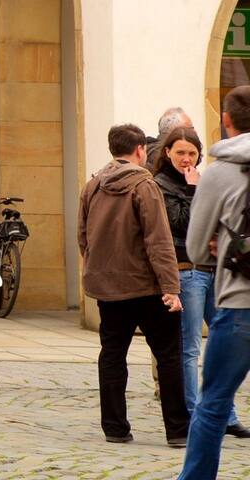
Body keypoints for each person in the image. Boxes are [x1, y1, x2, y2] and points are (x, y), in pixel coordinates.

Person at [80, 123, 188, 447]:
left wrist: (97, 270)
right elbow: (158, 239)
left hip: (108, 288)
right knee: (168, 356)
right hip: (146, 286)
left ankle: (114, 426)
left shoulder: (93, 186)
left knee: (112, 354)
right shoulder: (145, 185)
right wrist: (171, 287)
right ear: (140, 149)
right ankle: (178, 429)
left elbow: (82, 236)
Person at [153, 125, 250, 439]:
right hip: (186, 269)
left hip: (213, 271)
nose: (186, 158)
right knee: (191, 346)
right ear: (167, 153)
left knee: (219, 341)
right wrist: (194, 188)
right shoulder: (162, 184)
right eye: (180, 152)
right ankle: (196, 411)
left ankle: (226, 415)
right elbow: (179, 224)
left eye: (192, 153)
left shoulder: (206, 177)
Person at [182, 86, 250, 478]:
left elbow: (195, 248)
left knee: (214, 404)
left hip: (240, 303)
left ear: (227, 121)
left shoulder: (219, 172)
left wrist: (221, 245)